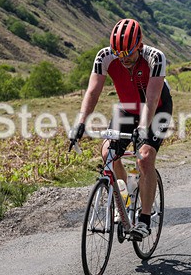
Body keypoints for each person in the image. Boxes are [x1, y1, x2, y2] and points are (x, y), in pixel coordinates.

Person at [69, 18, 172, 240]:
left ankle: (144, 220)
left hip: (157, 110)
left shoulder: (155, 58)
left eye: (129, 55)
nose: (124, 60)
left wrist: (143, 128)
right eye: (119, 55)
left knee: (144, 158)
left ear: (140, 45)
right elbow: (93, 92)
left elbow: (152, 99)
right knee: (107, 152)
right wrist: (80, 123)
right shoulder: (104, 56)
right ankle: (123, 199)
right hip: (127, 109)